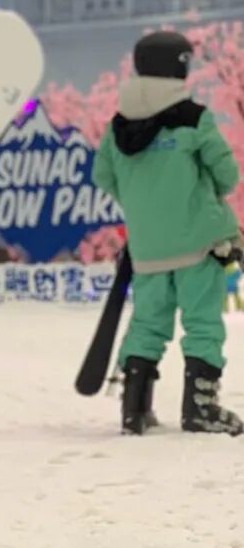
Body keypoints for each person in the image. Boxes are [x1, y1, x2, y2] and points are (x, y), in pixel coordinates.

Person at [93, 30, 243, 437]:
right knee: (203, 322)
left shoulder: (117, 126)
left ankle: (134, 409)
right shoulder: (193, 118)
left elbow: (103, 175)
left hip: (147, 248)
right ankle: (201, 408)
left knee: (147, 322)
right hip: (198, 241)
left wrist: (143, 207)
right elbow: (227, 173)